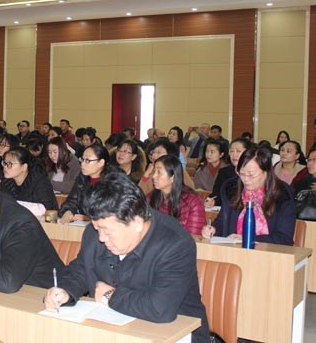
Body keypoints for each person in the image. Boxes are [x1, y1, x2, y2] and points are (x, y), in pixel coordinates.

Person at [43, 172, 209, 342]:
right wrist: (65, 290)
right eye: (97, 228)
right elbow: (81, 269)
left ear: (136, 223)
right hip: (118, 327)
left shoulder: (175, 244)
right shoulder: (97, 231)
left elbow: (160, 308)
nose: (101, 238)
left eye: (108, 232)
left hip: (176, 333)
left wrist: (110, 296)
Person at [202, 147, 296, 246]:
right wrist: (213, 229)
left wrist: (247, 238)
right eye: (242, 174)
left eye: (251, 175)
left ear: (266, 172)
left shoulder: (282, 195)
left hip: (269, 252)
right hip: (233, 250)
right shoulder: (232, 190)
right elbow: (222, 223)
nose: (245, 179)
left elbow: (284, 239)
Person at [59, 144, 118, 223]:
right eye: (82, 159)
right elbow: (71, 201)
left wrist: (90, 218)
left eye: (87, 161)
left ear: (101, 163)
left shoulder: (114, 181)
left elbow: (115, 212)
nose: (82, 164)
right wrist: (68, 211)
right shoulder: (82, 178)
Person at [149, 154, 206, 235]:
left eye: (159, 172)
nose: (154, 176)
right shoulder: (150, 198)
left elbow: (192, 236)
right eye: (154, 171)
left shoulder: (193, 201)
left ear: (172, 177)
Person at [205, 137, 252, 207]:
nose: (234, 155)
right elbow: (216, 195)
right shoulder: (224, 172)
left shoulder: (253, 174)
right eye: (232, 151)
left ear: (248, 153)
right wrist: (212, 201)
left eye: (238, 151)